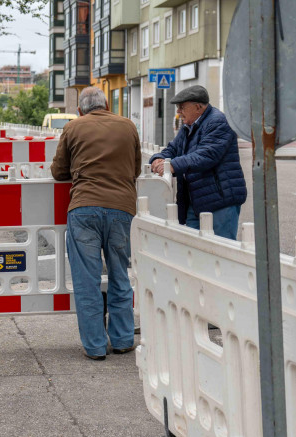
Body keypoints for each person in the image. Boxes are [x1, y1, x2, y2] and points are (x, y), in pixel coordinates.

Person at [50, 86, 141, 361]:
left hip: (84, 209)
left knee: (87, 281)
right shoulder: (128, 126)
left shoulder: (73, 128)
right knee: (120, 275)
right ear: (107, 107)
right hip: (121, 210)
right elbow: (135, 169)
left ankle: (95, 347)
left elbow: (58, 172)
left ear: (80, 110)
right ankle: (124, 340)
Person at [149, 85, 246, 240]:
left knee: (220, 251)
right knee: (195, 250)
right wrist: (158, 158)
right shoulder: (188, 126)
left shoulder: (218, 122)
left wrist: (173, 165)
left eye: (181, 107)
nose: (178, 111)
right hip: (196, 201)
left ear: (198, 107)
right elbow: (173, 148)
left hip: (220, 201)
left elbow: (206, 155)